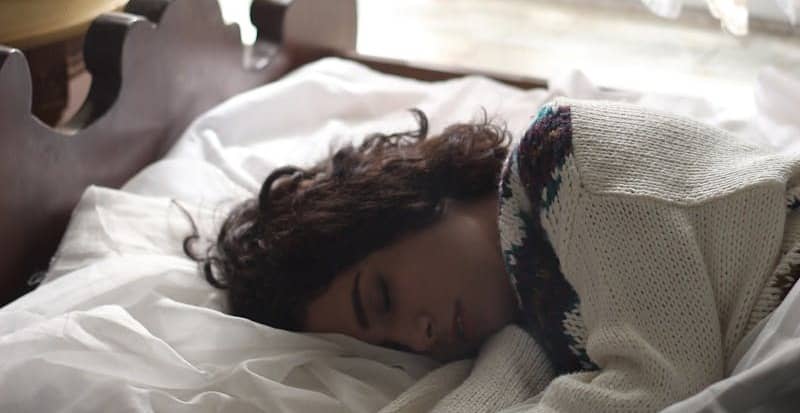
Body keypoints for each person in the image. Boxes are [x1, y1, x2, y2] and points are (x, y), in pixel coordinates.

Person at [188, 99, 800, 412]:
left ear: (408, 202)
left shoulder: (561, 160)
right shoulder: (530, 293)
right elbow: (494, 385)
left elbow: (661, 384)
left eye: (383, 298)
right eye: (397, 348)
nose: (420, 335)